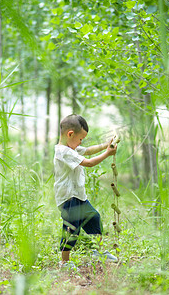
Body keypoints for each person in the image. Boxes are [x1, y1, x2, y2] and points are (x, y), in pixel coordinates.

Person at [54, 114, 118, 266]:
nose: (81, 142)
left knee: (94, 218)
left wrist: (105, 145)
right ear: (70, 134)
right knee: (71, 228)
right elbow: (88, 163)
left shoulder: (71, 148)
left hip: (78, 196)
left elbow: (88, 151)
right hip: (68, 198)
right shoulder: (63, 151)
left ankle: (99, 251)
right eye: (80, 139)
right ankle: (64, 262)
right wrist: (107, 154)